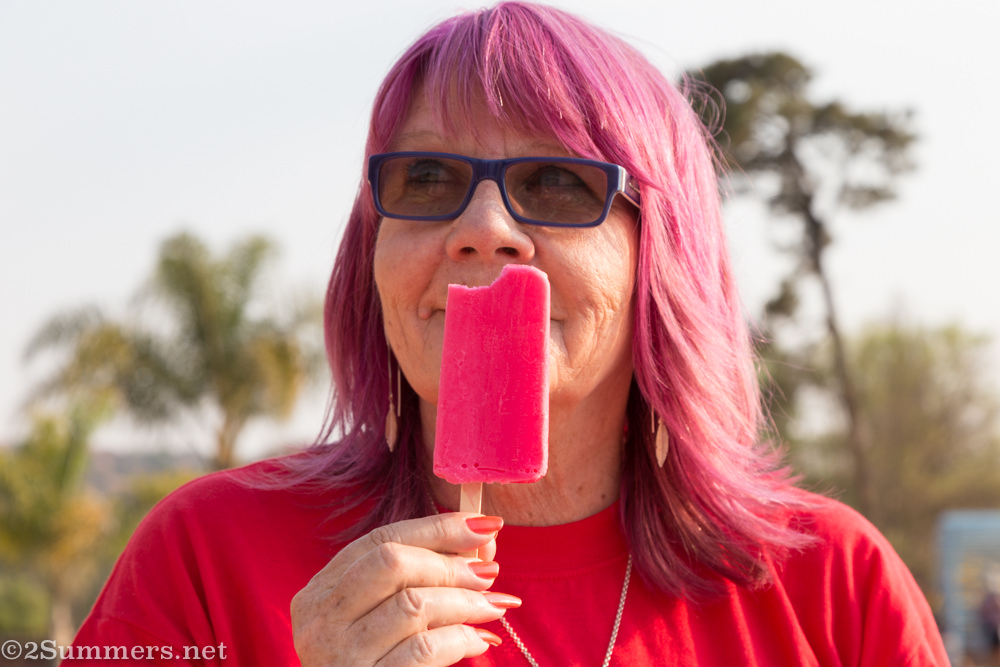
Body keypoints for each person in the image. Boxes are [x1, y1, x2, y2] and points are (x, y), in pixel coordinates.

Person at [69, 2, 948, 665]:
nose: (484, 226)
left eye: (558, 184)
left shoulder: (831, 586)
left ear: (660, 257)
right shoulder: (205, 558)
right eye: (425, 175)